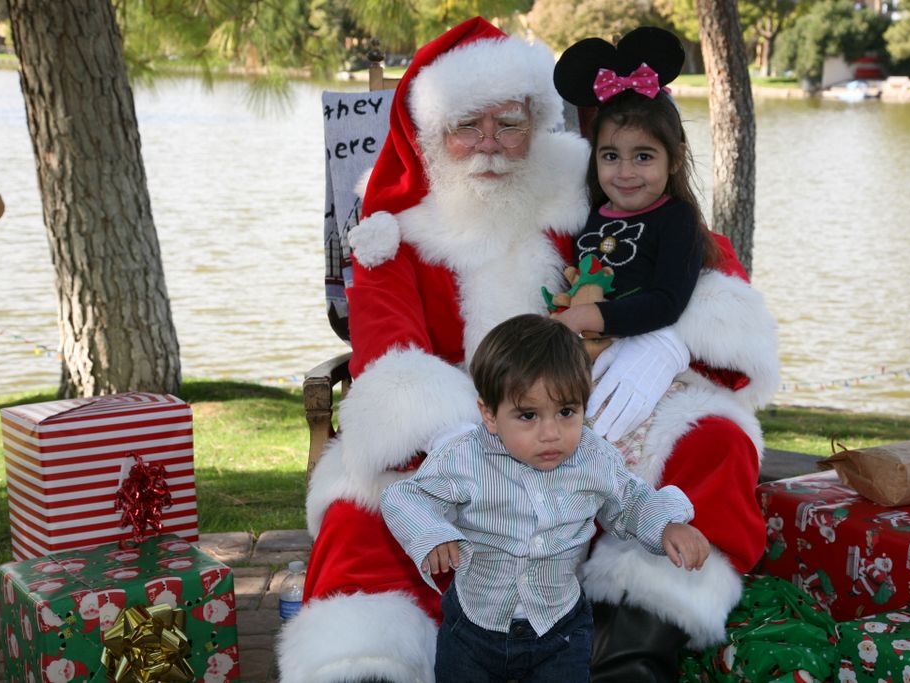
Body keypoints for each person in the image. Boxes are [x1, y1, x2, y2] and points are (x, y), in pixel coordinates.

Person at [277, 16, 779, 683]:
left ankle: (630, 645)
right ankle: (371, 666)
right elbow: (390, 358)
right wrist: (491, 445)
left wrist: (668, 338)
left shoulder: (582, 177)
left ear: (536, 119)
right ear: (432, 132)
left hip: (593, 411)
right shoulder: (393, 232)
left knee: (714, 440)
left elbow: (695, 247)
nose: (488, 145)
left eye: (509, 122)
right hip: (464, 422)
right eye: (465, 126)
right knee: (363, 511)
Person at [379, 314, 709, 682]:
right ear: (489, 414)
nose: (551, 433)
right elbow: (405, 496)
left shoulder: (592, 457)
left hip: (559, 632)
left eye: (566, 412)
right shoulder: (465, 458)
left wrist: (667, 525)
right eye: (528, 415)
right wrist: (433, 532)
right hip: (474, 630)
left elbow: (630, 500)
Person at [550, 27, 717, 463]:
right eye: (610, 156)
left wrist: (588, 315)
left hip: (643, 366)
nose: (625, 172)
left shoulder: (675, 218)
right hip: (581, 364)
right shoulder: (587, 217)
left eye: (643, 156)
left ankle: (633, 525)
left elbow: (666, 301)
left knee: (618, 456)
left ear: (675, 158)